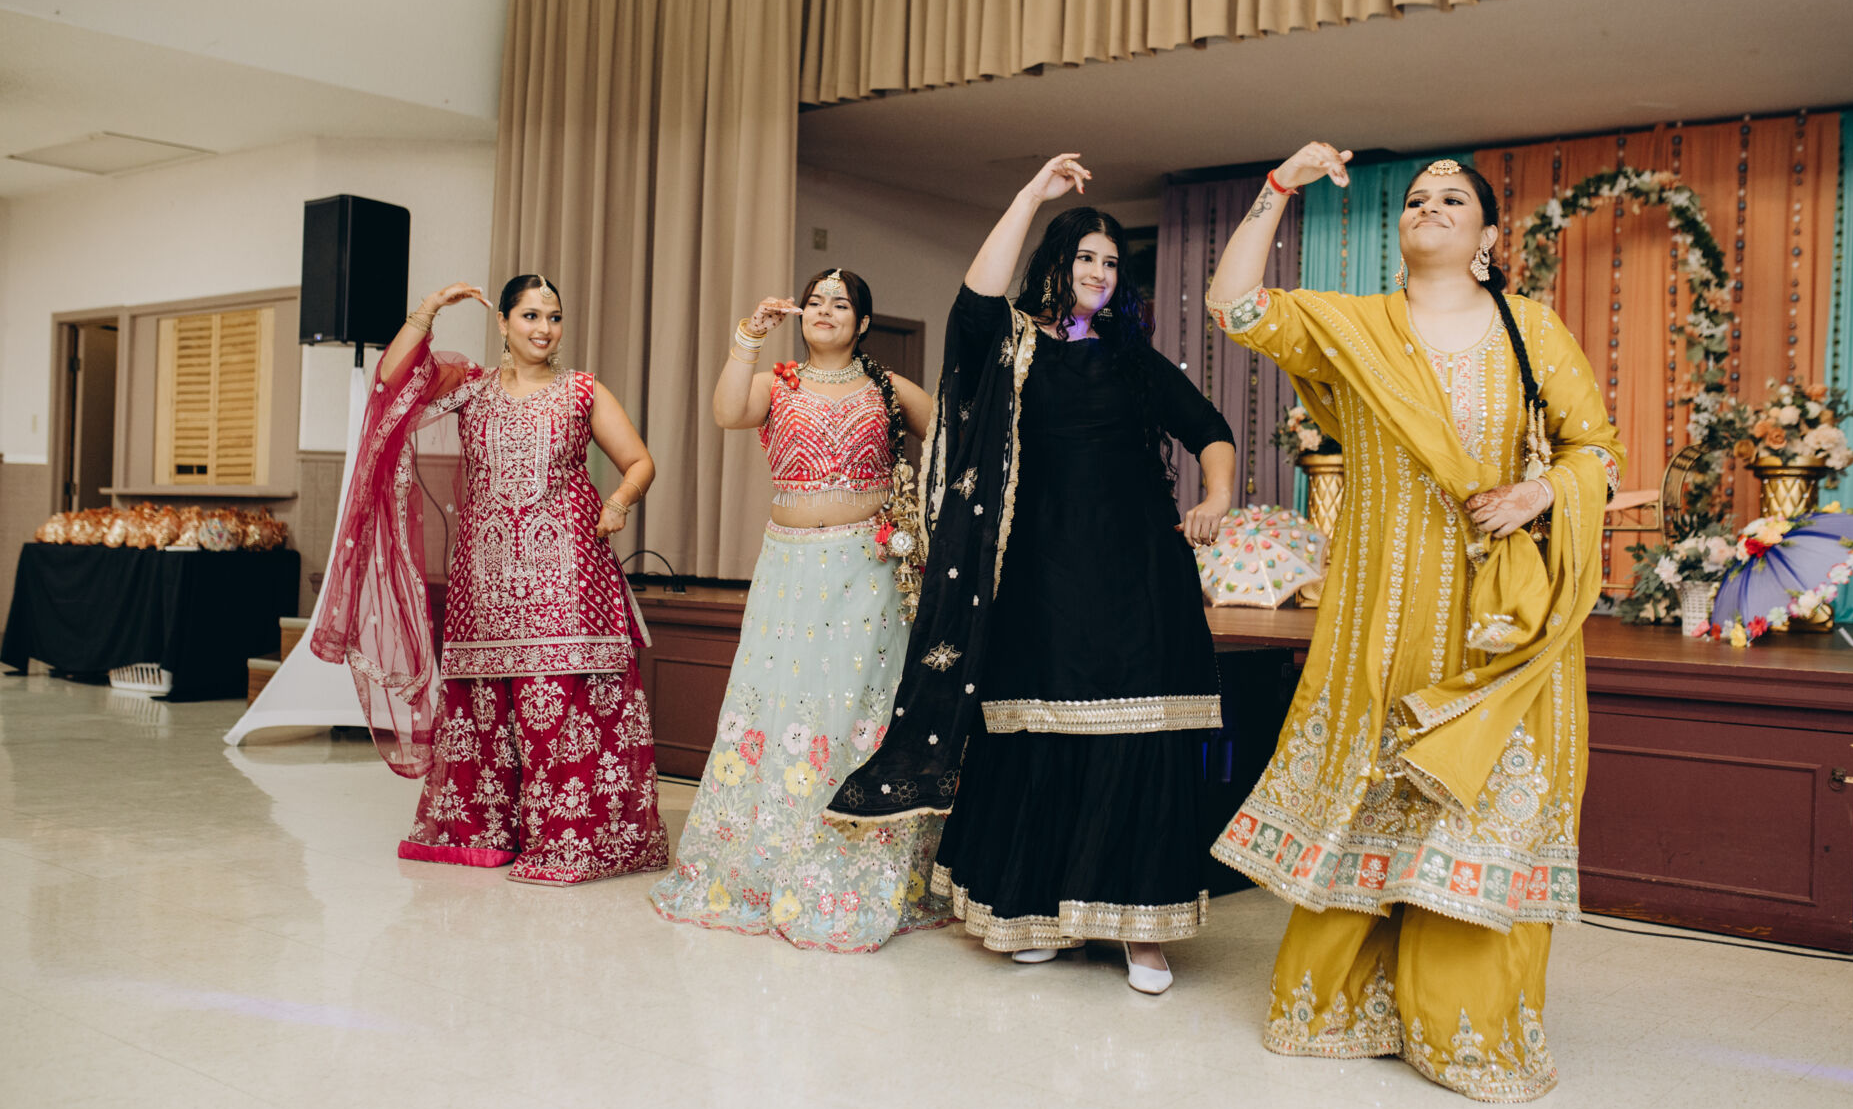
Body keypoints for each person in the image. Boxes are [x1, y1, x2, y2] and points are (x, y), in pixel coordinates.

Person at [1204, 148, 1624, 1101]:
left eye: (1453, 198)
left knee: (1477, 803)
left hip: (1494, 621)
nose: (1429, 207)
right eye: (1416, 198)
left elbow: (1596, 451)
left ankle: (1464, 1028)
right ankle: (1346, 1006)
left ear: (1487, 235)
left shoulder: (1531, 328)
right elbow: (1234, 306)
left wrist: (1537, 494)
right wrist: (1279, 186)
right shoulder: (1355, 328)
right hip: (1383, 612)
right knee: (1373, 787)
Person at [826, 155, 1237, 994]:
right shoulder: (1010, 346)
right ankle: (1038, 910)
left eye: (1112, 262)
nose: (1100, 272)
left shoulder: (1131, 357)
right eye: (1086, 256)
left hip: (1140, 576)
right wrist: (1028, 196)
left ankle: (1141, 931)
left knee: (1141, 736)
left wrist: (1220, 496)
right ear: (1057, 261)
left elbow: (1209, 427)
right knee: (1040, 732)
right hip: (1039, 576)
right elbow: (974, 300)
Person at [309, 274, 669, 886]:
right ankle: (488, 831)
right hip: (486, 576)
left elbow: (639, 461)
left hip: (568, 573)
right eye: (530, 316)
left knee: (562, 701)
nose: (544, 329)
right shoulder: (469, 389)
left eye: (554, 317)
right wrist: (428, 310)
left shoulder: (582, 390)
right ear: (503, 322)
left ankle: (575, 839)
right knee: (485, 704)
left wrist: (619, 502)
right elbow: (391, 381)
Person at [649, 268, 955, 950]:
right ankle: (768, 858)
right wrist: (748, 337)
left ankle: (863, 856)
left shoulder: (884, 386)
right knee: (781, 700)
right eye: (815, 301)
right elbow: (727, 411)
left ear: (863, 323)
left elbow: (953, 437)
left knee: (856, 705)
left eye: (840, 304)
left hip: (868, 571)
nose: (825, 311)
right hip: (788, 570)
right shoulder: (777, 382)